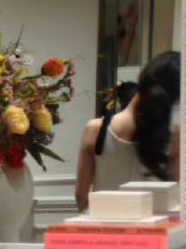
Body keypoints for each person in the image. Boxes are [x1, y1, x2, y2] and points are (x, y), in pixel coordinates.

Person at [75, 51, 180, 211]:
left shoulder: (95, 129)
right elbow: (174, 198)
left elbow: (81, 196)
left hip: (103, 222)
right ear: (175, 97)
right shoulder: (175, 136)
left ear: (143, 78)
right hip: (152, 224)